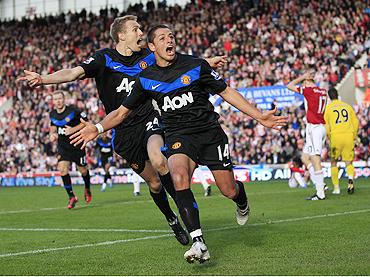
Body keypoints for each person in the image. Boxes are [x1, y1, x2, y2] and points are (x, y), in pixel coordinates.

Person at [69, 24, 288, 263]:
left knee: (227, 189)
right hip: (177, 136)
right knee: (179, 177)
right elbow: (121, 113)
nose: (169, 40)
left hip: (209, 133)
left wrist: (259, 116)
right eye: (162, 38)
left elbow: (227, 92)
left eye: (171, 36)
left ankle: (240, 197)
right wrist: (98, 128)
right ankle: (198, 242)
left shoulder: (195, 65)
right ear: (152, 47)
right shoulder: (145, 79)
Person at [17, 15, 225, 246]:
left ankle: (190, 220)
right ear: (121, 35)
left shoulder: (147, 56)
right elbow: (73, 72)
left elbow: (175, 64)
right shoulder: (104, 58)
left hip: (148, 118)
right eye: (136, 29)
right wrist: (43, 79)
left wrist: (205, 61)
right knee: (154, 184)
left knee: (159, 160)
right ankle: (171, 218)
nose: (140, 33)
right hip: (122, 130)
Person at [287, 72, 328, 200]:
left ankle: (320, 192)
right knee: (305, 157)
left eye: (303, 82)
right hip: (317, 126)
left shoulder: (309, 90)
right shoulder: (323, 91)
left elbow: (290, 85)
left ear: (305, 82)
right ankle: (319, 183)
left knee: (315, 158)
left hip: (315, 127)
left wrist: (302, 76)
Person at [49, 90, 92, 209]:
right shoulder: (52, 114)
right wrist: (52, 135)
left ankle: (87, 188)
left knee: (83, 171)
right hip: (63, 147)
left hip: (77, 144)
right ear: (53, 102)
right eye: (55, 99)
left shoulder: (73, 110)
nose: (58, 101)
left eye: (59, 99)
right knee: (62, 169)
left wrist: (73, 130)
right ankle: (71, 197)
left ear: (64, 99)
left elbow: (86, 122)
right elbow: (52, 127)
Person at [324, 88, 359, 194]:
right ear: (337, 95)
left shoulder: (328, 108)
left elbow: (327, 126)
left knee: (334, 162)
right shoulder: (348, 107)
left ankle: (336, 188)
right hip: (348, 136)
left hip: (336, 137)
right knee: (349, 162)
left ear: (329, 97)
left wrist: (329, 138)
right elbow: (356, 122)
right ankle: (350, 180)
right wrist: (353, 135)